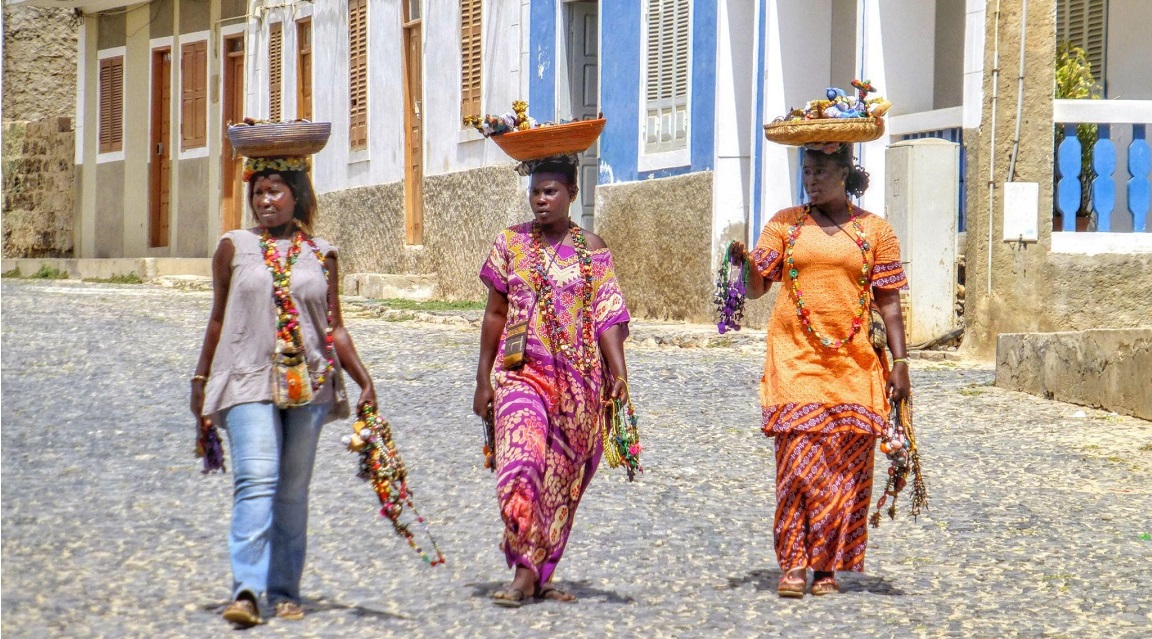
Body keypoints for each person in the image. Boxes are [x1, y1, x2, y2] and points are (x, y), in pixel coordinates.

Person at [190, 160, 376, 627]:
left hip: (308, 384)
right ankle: (247, 591)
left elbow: (334, 328)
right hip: (247, 377)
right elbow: (217, 318)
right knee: (256, 478)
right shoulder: (234, 247)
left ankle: (285, 589)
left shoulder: (322, 253)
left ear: (296, 195)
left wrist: (364, 380)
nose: (265, 201)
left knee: (292, 491)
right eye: (257, 193)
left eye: (274, 192)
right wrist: (200, 380)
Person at [733, 143, 911, 598]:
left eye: (820, 171)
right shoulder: (785, 225)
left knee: (843, 468)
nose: (811, 180)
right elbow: (757, 288)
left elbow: (889, 302)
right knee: (797, 467)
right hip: (794, 358)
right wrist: (747, 266)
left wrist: (902, 362)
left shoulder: (874, 231)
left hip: (854, 365)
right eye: (806, 171)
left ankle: (826, 565)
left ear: (844, 172)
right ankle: (793, 563)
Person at [473, 157, 631, 607]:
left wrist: (618, 373)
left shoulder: (593, 249)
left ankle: (532, 575)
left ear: (572, 194)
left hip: (578, 387)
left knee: (560, 483)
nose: (540, 201)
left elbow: (607, 315)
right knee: (520, 466)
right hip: (520, 374)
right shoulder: (510, 243)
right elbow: (495, 314)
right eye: (535, 192)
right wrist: (483, 378)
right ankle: (525, 569)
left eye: (550, 192)